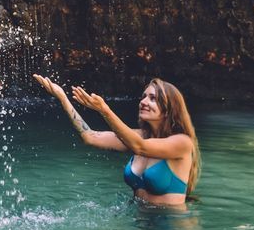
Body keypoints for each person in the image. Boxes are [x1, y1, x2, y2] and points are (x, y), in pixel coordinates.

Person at [33, 74, 199, 206]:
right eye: (143, 97)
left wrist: (104, 110)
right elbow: (90, 137)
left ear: (170, 109)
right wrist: (63, 98)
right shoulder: (139, 136)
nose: (143, 102)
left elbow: (139, 147)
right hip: (139, 227)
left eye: (153, 98)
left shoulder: (182, 143)